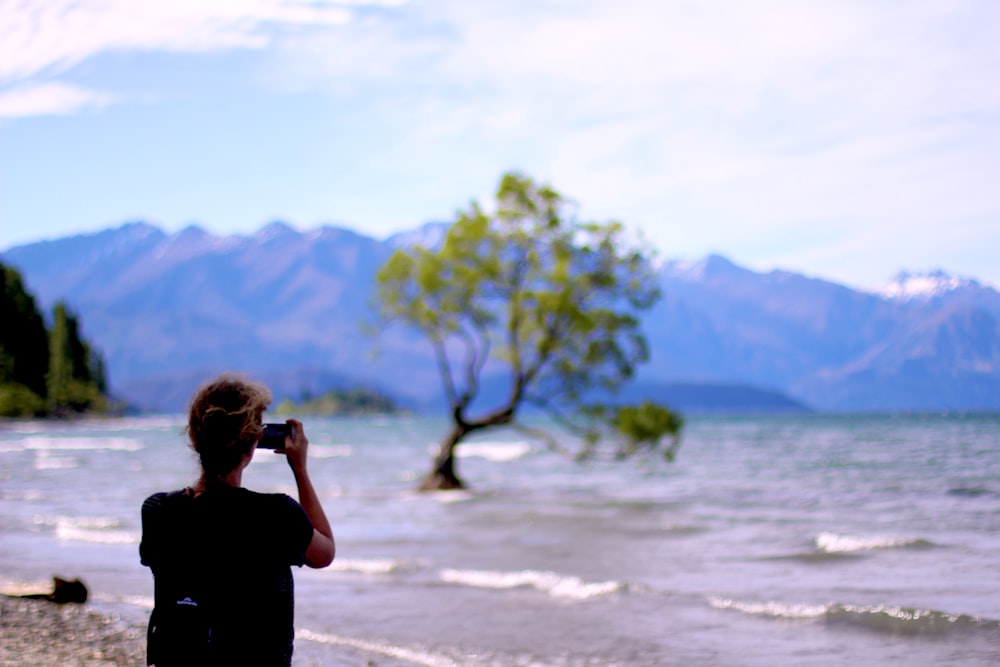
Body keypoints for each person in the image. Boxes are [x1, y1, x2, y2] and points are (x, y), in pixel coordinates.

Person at [139, 374, 335, 666]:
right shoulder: (276, 513)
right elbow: (324, 552)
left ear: (194, 436)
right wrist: (300, 470)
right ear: (253, 442)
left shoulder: (158, 511)